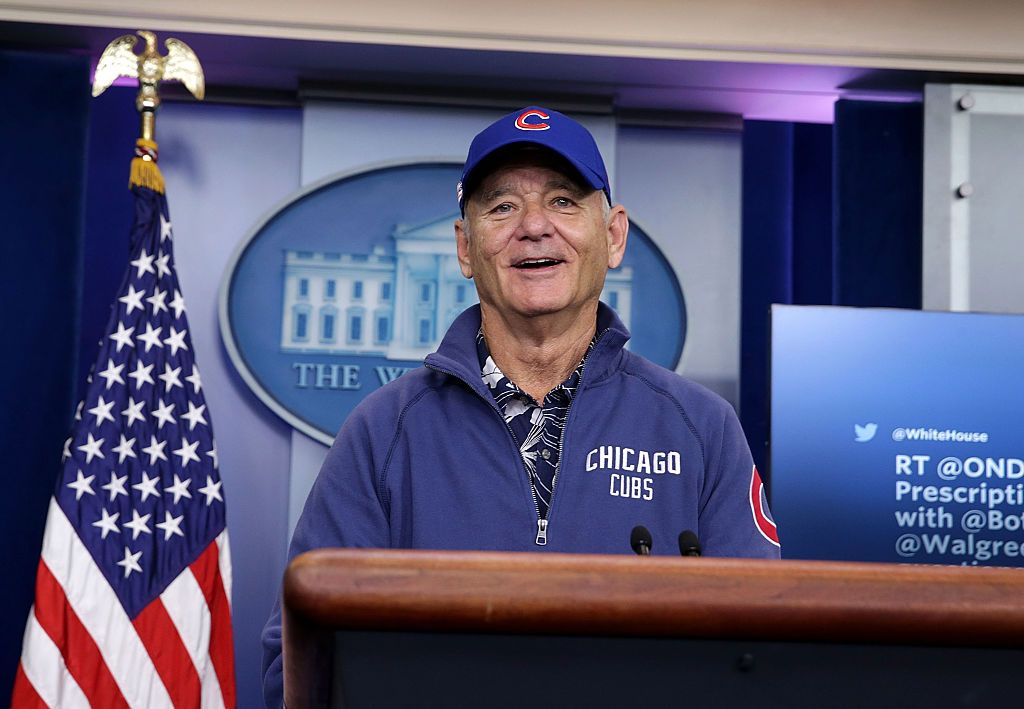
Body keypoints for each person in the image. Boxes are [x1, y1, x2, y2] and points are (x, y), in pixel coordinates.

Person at [260, 106, 780, 706]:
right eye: (502, 206)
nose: (534, 226)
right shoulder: (383, 432)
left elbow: (759, 659)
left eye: (563, 200)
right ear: (464, 246)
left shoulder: (701, 428)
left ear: (612, 236)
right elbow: (293, 667)